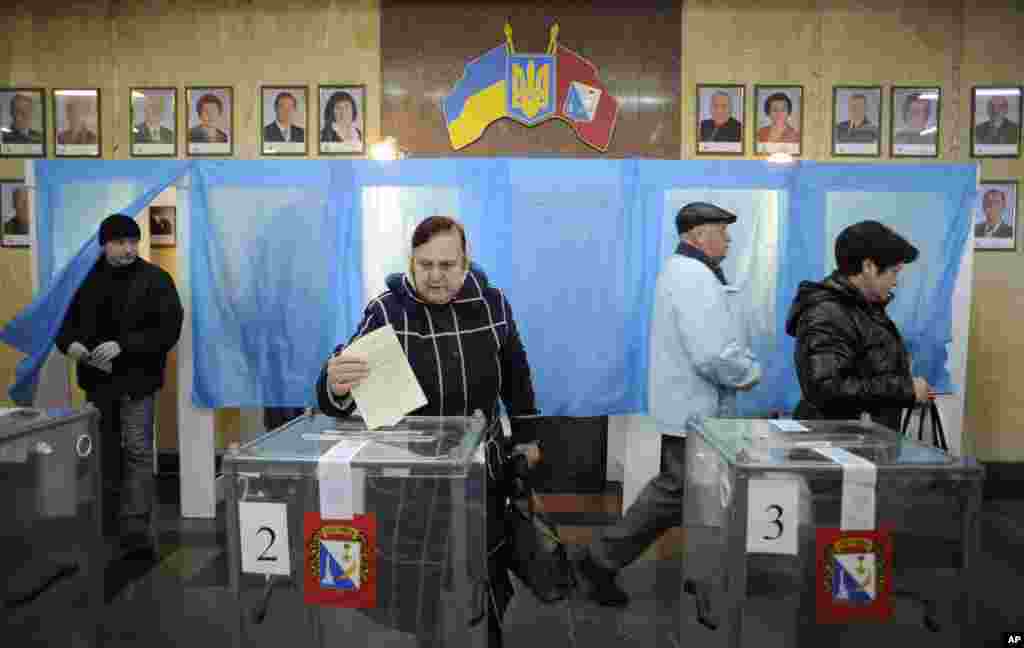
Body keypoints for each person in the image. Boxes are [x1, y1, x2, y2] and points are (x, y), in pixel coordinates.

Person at [315, 215, 541, 647]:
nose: (436, 276)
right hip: (413, 479)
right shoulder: (386, 310)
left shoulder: (493, 304)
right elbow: (339, 393)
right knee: (425, 592)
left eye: (447, 265)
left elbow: (516, 372)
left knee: (484, 580)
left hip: (482, 472)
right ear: (410, 263)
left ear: (465, 261)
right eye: (425, 265)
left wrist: (527, 435)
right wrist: (333, 382)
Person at [573, 202, 761, 606]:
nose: (727, 239)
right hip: (698, 409)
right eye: (721, 231)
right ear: (696, 236)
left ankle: (698, 572)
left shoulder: (689, 272)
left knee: (688, 493)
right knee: (678, 492)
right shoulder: (694, 277)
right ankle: (601, 558)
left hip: (693, 407)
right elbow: (711, 354)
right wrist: (748, 373)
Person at [55, 214, 183, 557]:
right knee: (104, 451)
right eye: (120, 242)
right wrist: (74, 348)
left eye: (132, 242)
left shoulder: (156, 280)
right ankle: (108, 521)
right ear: (104, 244)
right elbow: (63, 327)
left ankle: (137, 527)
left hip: (138, 381)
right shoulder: (84, 281)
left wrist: (124, 345)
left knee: (139, 450)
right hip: (98, 383)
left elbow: (169, 329)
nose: (128, 249)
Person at [786, 220, 931, 432]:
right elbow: (826, 388)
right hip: (835, 451)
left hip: (860, 446)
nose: (895, 282)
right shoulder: (826, 313)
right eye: (894, 272)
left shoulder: (862, 309)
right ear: (869, 267)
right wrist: (905, 390)